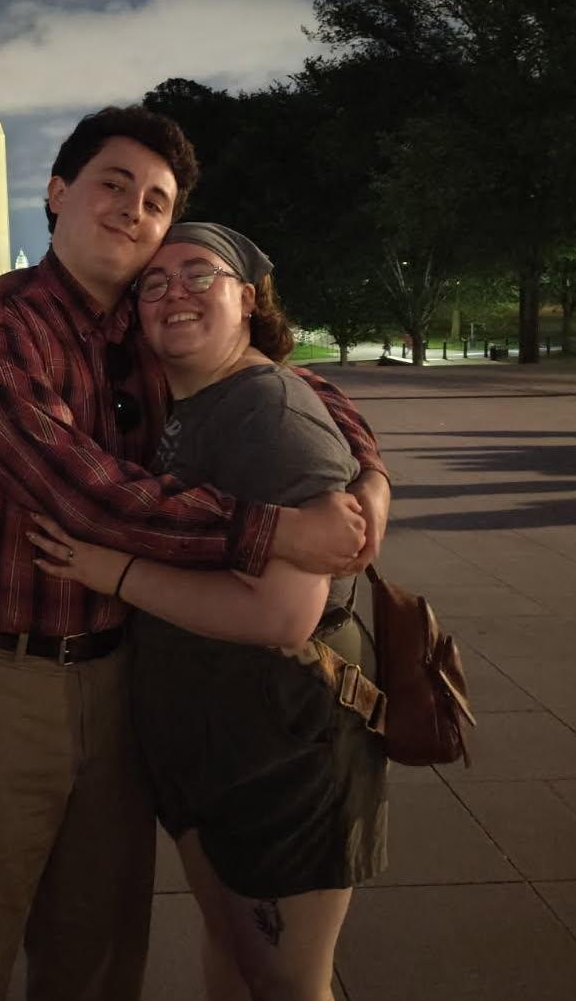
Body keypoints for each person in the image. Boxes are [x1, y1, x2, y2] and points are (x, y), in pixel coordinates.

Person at [0, 106, 389, 1001]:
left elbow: (285, 375)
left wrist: (367, 476)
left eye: (159, 202)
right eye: (114, 185)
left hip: (122, 674)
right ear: (57, 194)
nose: (136, 210)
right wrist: (280, 527)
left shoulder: (142, 329)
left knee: (99, 940)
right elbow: (80, 490)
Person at [27, 223, 387, 1001]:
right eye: (152, 285)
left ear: (248, 300)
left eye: (200, 276)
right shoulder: (192, 399)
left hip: (284, 744)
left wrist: (113, 571)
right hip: (210, 741)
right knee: (229, 952)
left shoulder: (267, 409)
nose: (173, 294)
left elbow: (286, 614)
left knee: (286, 981)